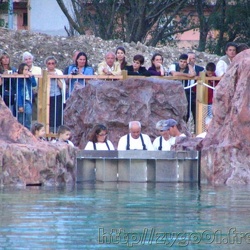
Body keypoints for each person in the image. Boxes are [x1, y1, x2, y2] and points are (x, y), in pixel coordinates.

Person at [169, 54, 196, 123]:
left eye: (184, 62)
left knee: (186, 111)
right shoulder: (174, 65)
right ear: (178, 61)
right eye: (181, 61)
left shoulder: (188, 67)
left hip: (185, 92)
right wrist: (187, 75)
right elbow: (174, 74)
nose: (182, 63)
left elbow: (193, 74)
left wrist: (189, 64)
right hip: (173, 92)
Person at [44, 56, 66, 133]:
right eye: (49, 63)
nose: (51, 65)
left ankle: (57, 132)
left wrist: (55, 77)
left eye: (53, 63)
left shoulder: (59, 72)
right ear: (46, 64)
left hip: (57, 95)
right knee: (48, 115)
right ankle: (48, 132)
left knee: (57, 114)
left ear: (55, 64)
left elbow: (62, 86)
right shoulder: (43, 72)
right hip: (47, 96)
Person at [22, 51, 42, 121]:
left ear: (32, 59)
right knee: (27, 113)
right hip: (26, 95)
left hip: (37, 94)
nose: (28, 61)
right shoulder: (21, 70)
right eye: (26, 59)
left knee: (37, 113)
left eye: (29, 58)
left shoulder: (38, 69)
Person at [17, 63, 37, 130]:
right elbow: (18, 92)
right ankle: (20, 132)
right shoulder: (19, 79)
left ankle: (28, 130)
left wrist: (31, 76)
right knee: (21, 118)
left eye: (28, 70)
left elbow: (34, 84)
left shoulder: (28, 78)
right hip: (21, 99)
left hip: (28, 100)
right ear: (21, 70)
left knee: (29, 113)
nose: (27, 71)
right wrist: (20, 105)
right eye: (25, 70)